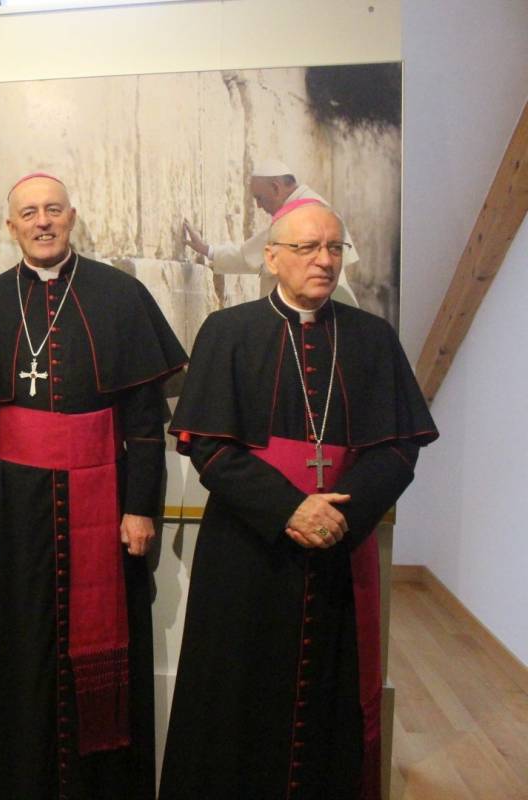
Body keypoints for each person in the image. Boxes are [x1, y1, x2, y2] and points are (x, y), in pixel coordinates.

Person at [160, 200, 437, 799]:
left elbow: (399, 449)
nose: (324, 260)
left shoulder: (370, 337)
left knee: (328, 695)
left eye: (334, 248)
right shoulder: (229, 332)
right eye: (309, 248)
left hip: (339, 544)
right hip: (247, 547)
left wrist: (340, 514)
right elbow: (207, 446)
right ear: (272, 258)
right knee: (236, 690)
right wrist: (289, 507)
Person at [0, 173, 187, 799]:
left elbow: (143, 421)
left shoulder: (120, 296)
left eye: (53, 209)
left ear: (71, 217)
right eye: (29, 212)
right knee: (15, 653)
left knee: (103, 653)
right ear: (11, 225)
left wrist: (140, 509)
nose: (43, 221)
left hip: (102, 507)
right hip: (8, 510)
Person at [182, 158, 360, 304]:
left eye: (260, 198)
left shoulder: (300, 214)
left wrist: (207, 250)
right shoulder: (313, 205)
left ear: (276, 188)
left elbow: (248, 256)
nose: (259, 206)